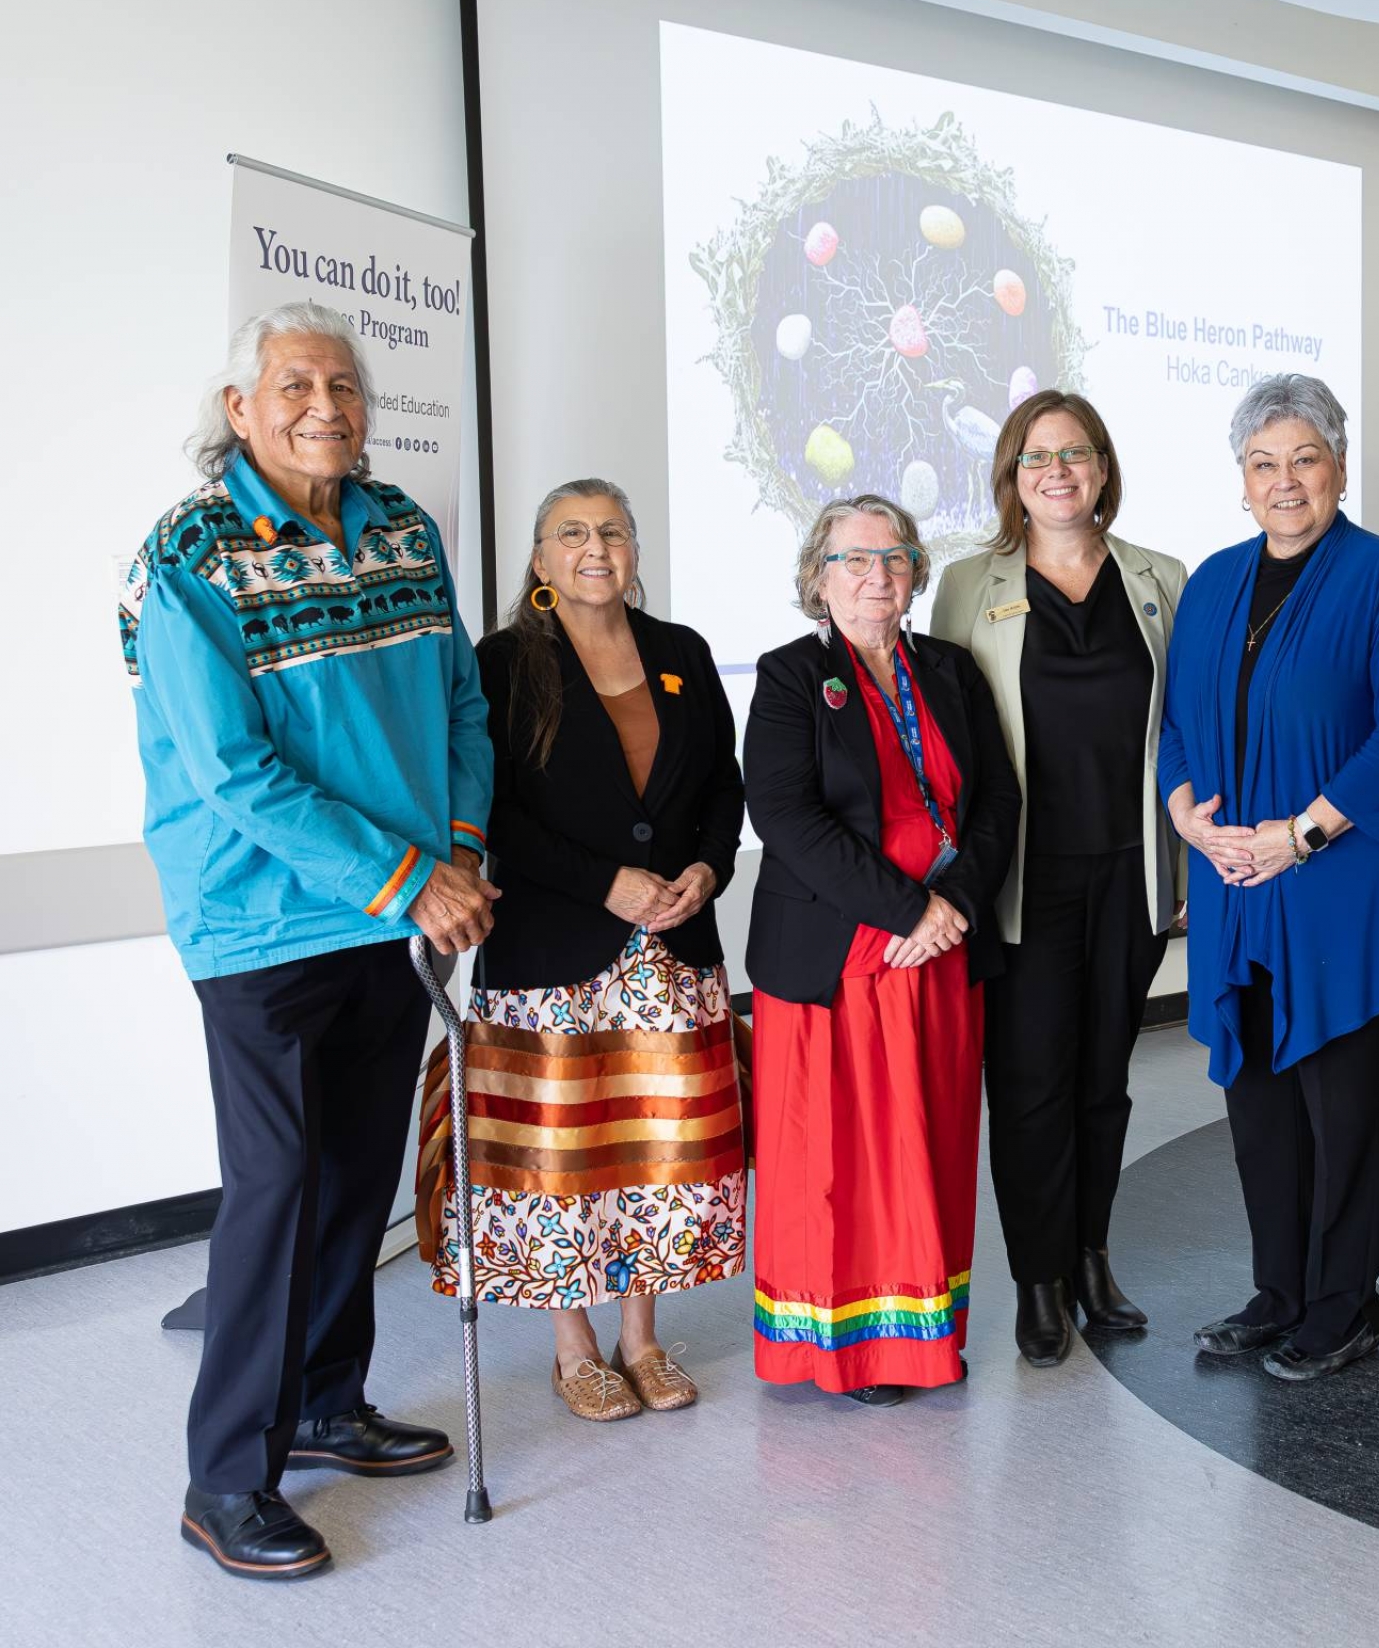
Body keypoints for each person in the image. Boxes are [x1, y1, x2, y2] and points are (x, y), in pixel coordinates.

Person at [123, 300, 496, 1579]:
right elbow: (233, 772)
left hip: (398, 906)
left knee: (353, 1175)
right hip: (262, 919)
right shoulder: (187, 555)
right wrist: (409, 877)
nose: (324, 406)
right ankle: (225, 1479)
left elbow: (458, 695)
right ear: (240, 408)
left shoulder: (402, 525)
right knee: (276, 1194)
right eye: (293, 385)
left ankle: (331, 1403)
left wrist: (463, 849)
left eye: (343, 384)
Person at [415, 479, 746, 1423]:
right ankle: (574, 1347)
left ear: (635, 551)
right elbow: (492, 811)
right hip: (555, 945)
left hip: (674, 946)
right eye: (572, 533)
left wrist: (708, 869)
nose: (595, 547)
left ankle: (642, 1337)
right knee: (561, 1158)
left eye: (613, 531)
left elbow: (722, 786)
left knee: (662, 1149)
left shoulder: (681, 652)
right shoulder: (504, 661)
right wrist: (604, 881)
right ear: (539, 557)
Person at [1159, 374, 1379, 1382]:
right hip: (1242, 890)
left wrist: (1299, 836)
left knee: (1349, 1115)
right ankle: (1278, 1291)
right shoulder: (1210, 584)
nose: (1285, 482)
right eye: (1263, 464)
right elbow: (1178, 728)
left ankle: (1342, 1303)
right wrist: (1188, 818)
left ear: (1337, 465)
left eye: (1304, 460)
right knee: (1262, 1106)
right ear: (1241, 480)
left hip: (1350, 891)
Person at [743, 494, 1020, 1405]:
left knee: (931, 1145)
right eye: (854, 560)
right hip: (841, 955)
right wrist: (909, 910)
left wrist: (957, 906)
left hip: (938, 955)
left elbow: (995, 803)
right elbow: (787, 817)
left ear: (914, 575)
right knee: (841, 1163)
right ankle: (850, 1349)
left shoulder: (947, 668)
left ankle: (924, 1335)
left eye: (894, 558)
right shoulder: (789, 678)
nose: (877, 576)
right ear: (818, 580)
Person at [930, 392, 1187, 1367]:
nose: (1059, 471)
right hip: (1021, 881)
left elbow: (1186, 724)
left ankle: (1090, 1259)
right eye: (1038, 457)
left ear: (1103, 469)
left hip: (1131, 870)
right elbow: (945, 743)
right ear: (1012, 475)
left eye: (1077, 454)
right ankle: (1037, 1282)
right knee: (1032, 1081)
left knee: (1104, 1081)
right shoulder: (964, 585)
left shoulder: (1160, 579)